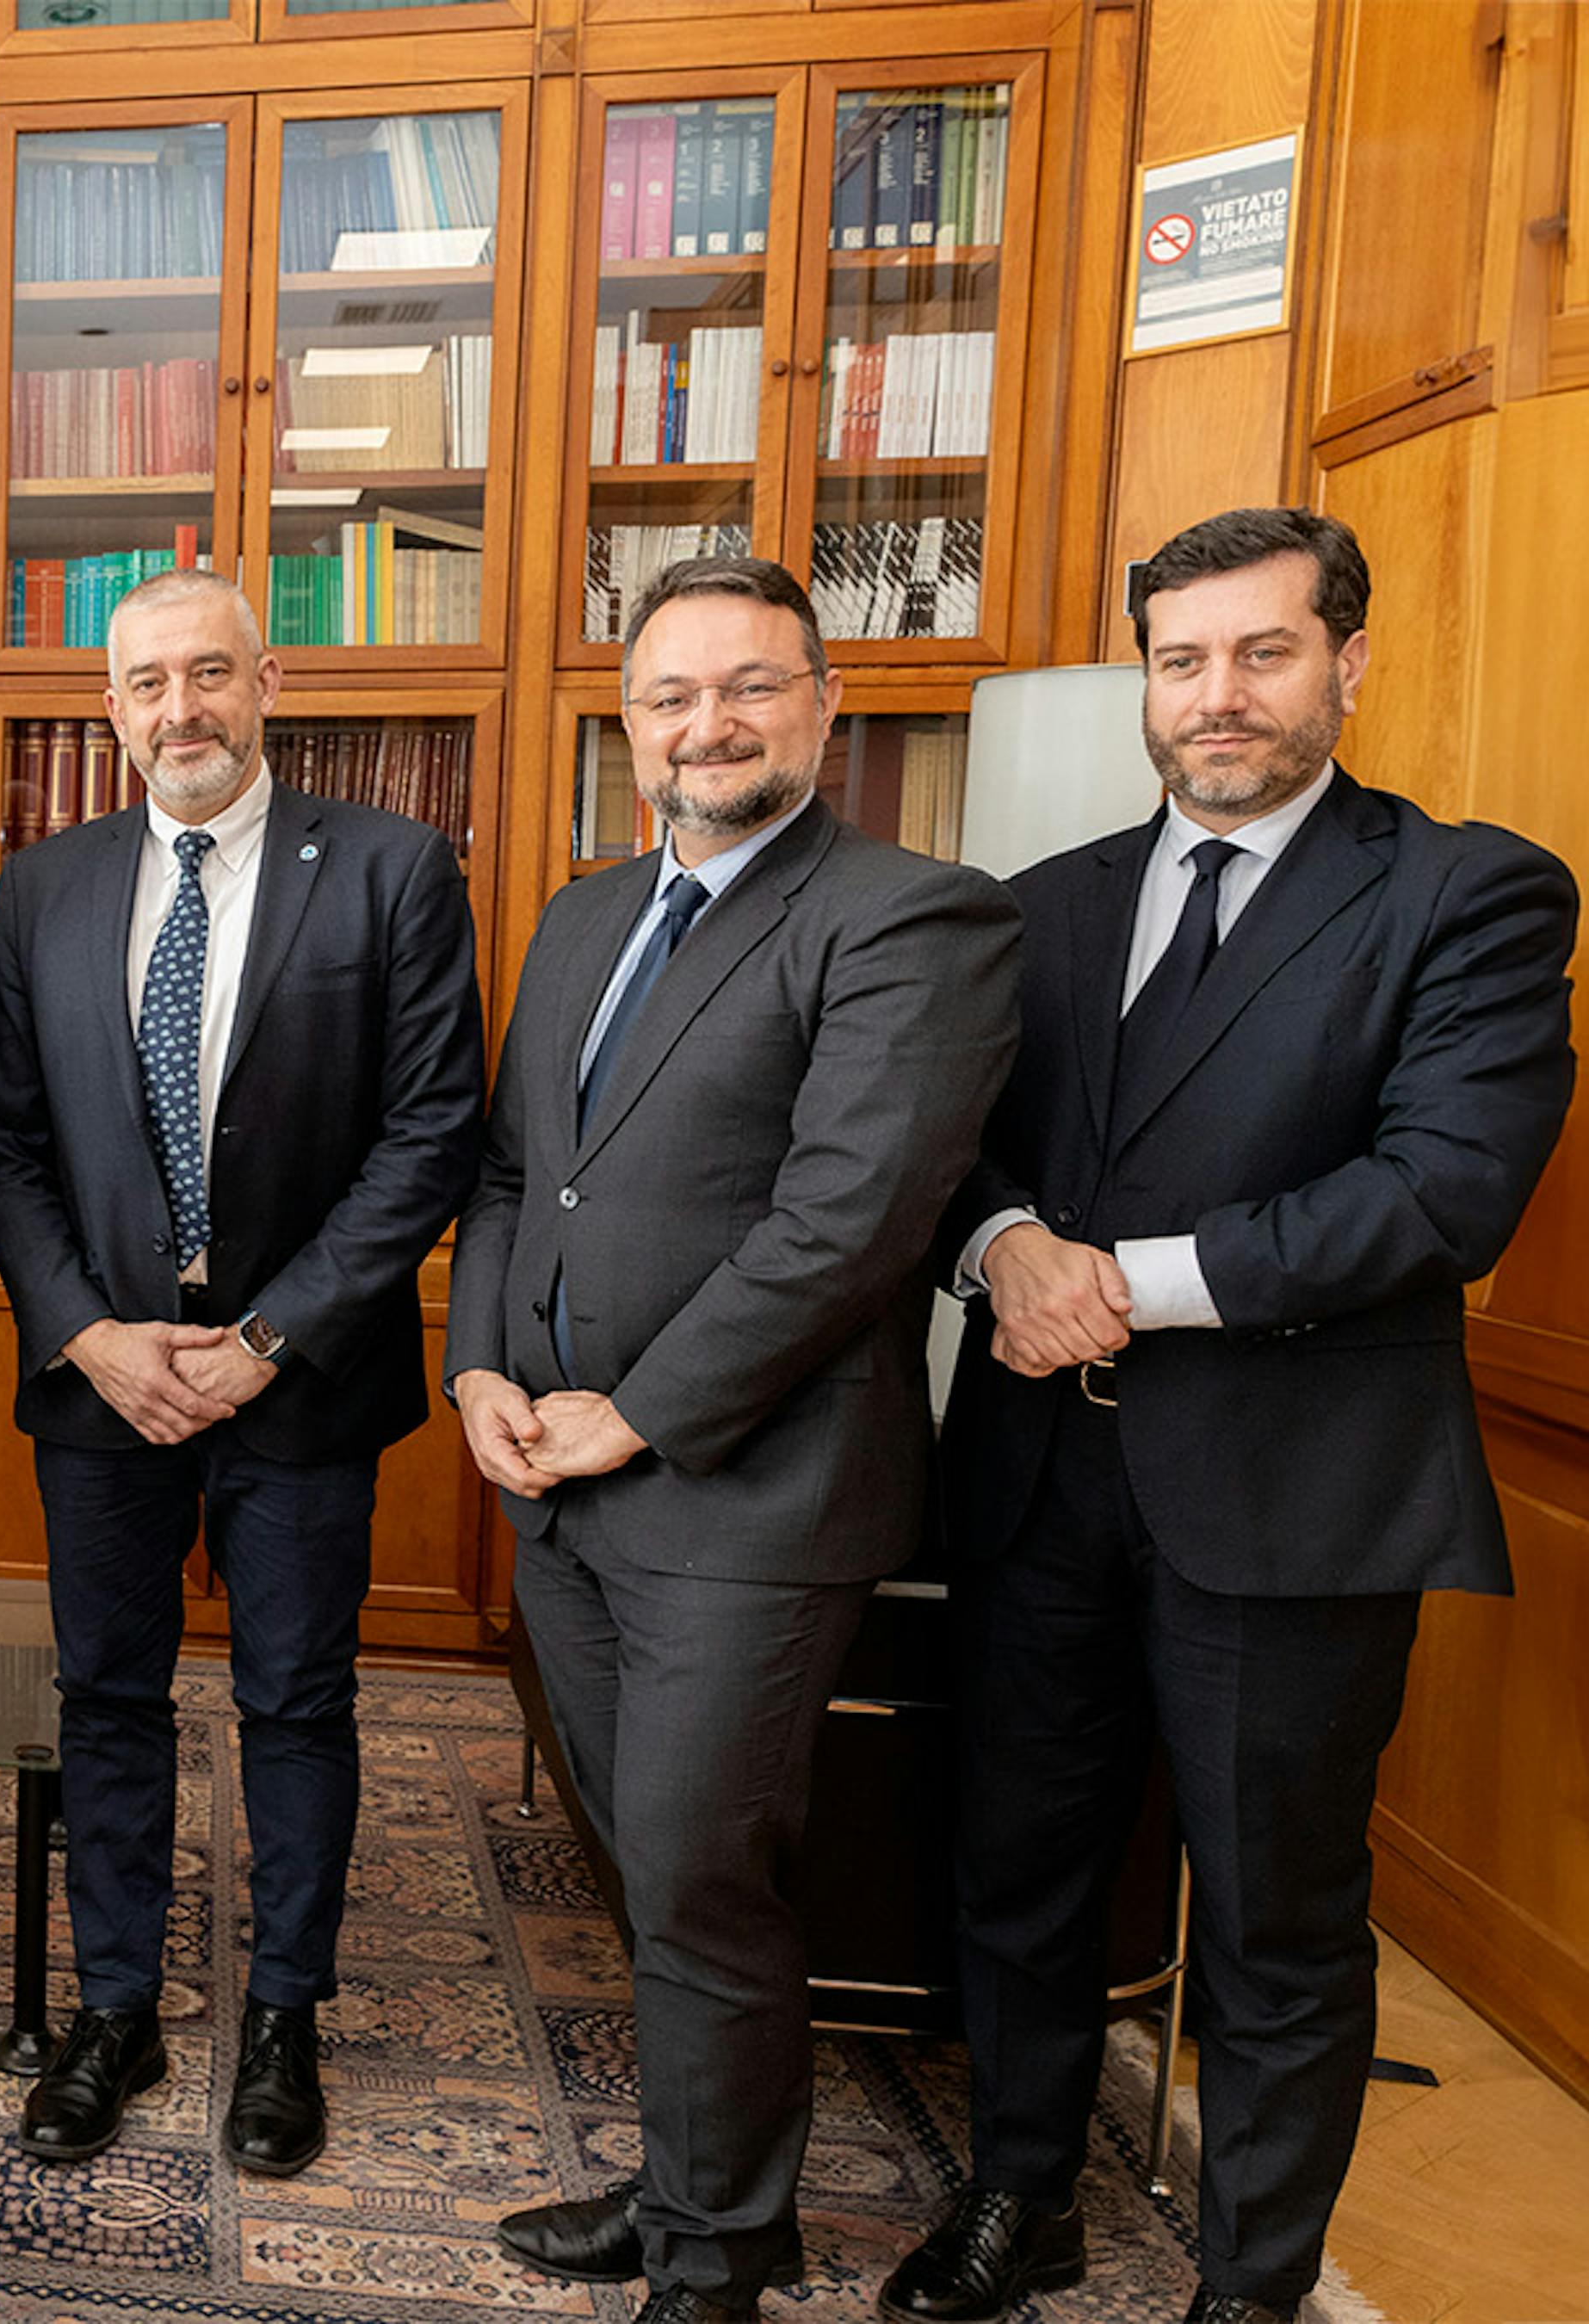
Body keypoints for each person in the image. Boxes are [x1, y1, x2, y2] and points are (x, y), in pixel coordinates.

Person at [887, 510, 1578, 2324]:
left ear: (1349, 662)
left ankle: (1253, 2288)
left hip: (1289, 1495)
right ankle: (1024, 2196)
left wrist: (1123, 1278)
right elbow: (953, 1160)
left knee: (1273, 1919)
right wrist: (1011, 1241)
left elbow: (1442, 1196)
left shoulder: (1466, 892)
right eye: (1183, 659)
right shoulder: (1050, 903)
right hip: (1042, 1478)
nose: (1220, 697)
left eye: (1264, 653)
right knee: (1019, 1869)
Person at [444, 557, 1019, 2324]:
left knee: (705, 1871)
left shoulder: (913, 917)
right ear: (631, 734)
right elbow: (508, 1176)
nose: (712, 724)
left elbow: (850, 1223)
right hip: (558, 1490)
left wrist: (638, 1410)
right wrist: (477, 1373)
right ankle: (696, 2186)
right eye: (673, 696)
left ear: (824, 707)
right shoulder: (584, 915)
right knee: (647, 1869)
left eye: (752, 686)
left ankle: (715, 2261)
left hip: (746, 1499)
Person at [0, 569, 485, 2176]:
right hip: (102, 1383)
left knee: (296, 1704)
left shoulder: (390, 868)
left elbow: (431, 1134)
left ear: (270, 683)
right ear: (107, 707)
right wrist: (93, 1336)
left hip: (302, 1381)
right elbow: (7, 1139)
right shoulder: (45, 886)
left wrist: (265, 1341)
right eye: (144, 685)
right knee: (106, 1697)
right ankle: (114, 2008)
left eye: (209, 676)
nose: (178, 710)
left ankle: (284, 2025)